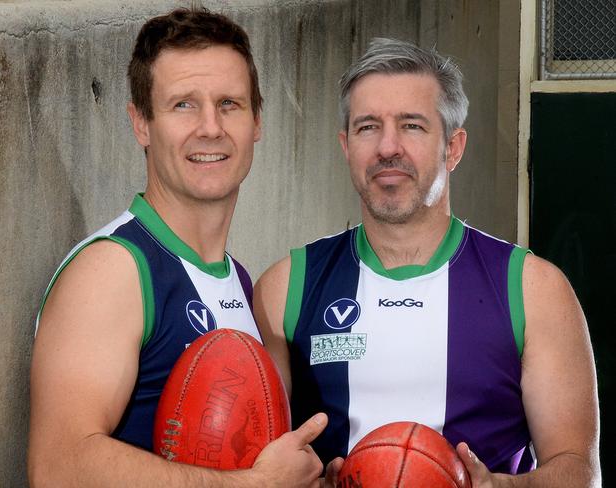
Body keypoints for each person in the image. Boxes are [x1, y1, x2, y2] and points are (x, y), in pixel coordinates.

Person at [254, 38, 601, 487]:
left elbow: (580, 471)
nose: (387, 147)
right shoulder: (286, 287)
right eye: (367, 127)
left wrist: (503, 486)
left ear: (453, 148)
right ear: (346, 146)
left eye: (412, 126)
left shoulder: (533, 289)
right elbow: (260, 464)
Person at [28, 8, 327, 488]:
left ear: (257, 122)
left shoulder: (237, 280)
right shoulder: (113, 270)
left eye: (229, 103)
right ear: (141, 123)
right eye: (183, 104)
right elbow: (59, 466)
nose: (210, 127)